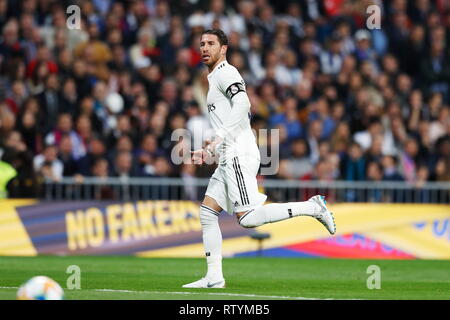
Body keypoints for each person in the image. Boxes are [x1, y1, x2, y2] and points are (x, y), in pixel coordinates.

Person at [182, 29, 336, 289]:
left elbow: (244, 105)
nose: (204, 48)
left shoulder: (226, 73)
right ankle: (214, 277)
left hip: (238, 154)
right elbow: (232, 120)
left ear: (224, 49)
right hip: (227, 154)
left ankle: (313, 207)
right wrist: (208, 151)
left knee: (248, 218)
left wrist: (218, 137)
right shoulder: (214, 78)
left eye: (211, 43)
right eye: (201, 44)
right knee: (208, 213)